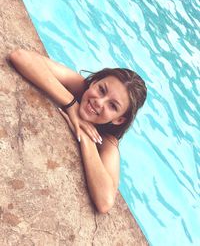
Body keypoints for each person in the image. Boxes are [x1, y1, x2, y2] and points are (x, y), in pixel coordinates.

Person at [8, 49, 147, 213]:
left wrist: (86, 138)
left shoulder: (108, 142)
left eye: (112, 106)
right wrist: (71, 104)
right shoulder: (79, 87)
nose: (99, 102)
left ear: (119, 120)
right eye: (102, 90)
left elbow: (105, 201)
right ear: (94, 82)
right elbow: (20, 56)